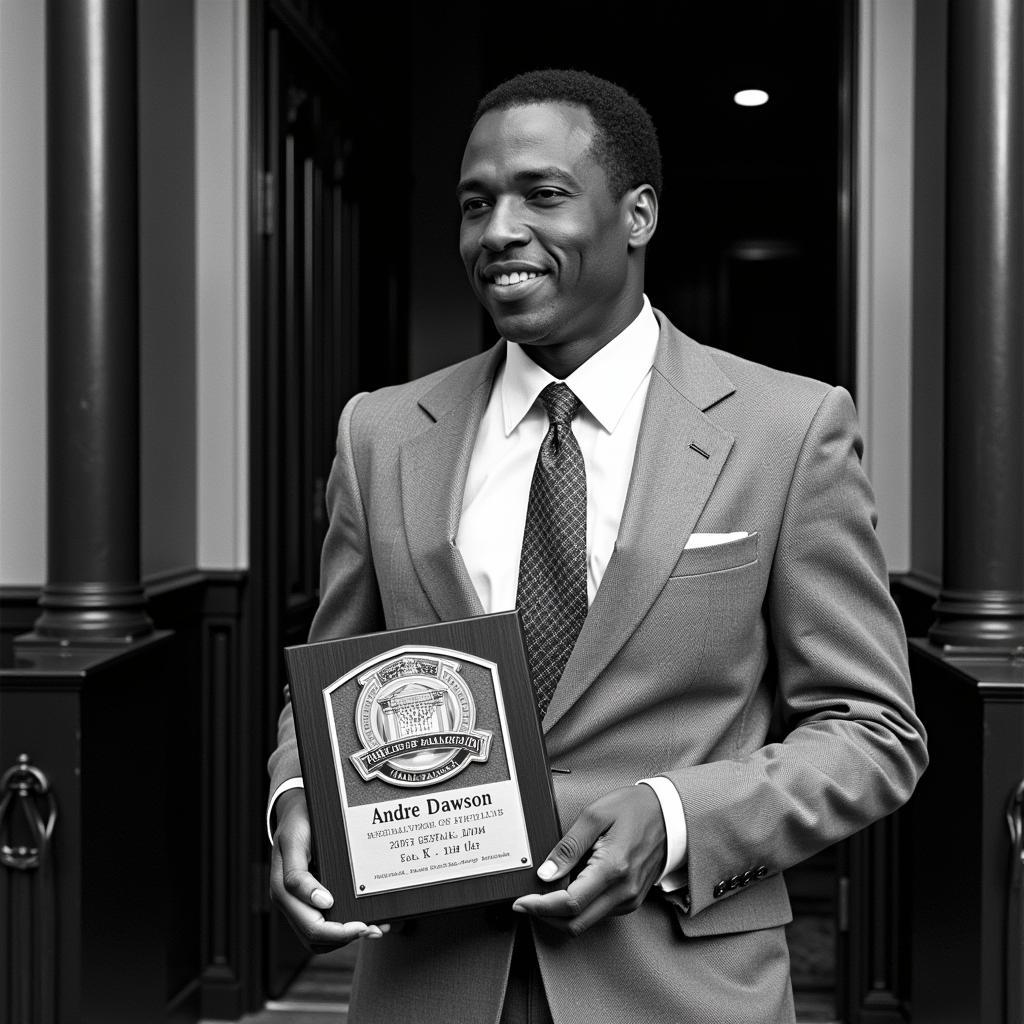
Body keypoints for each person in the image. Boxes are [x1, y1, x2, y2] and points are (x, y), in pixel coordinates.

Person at [267, 69, 927, 1023]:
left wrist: (673, 818)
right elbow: (328, 688)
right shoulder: (380, 434)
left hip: (681, 982)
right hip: (434, 981)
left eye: (541, 194)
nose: (497, 231)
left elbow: (873, 733)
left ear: (638, 214)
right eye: (475, 203)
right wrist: (298, 798)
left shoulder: (788, 429)